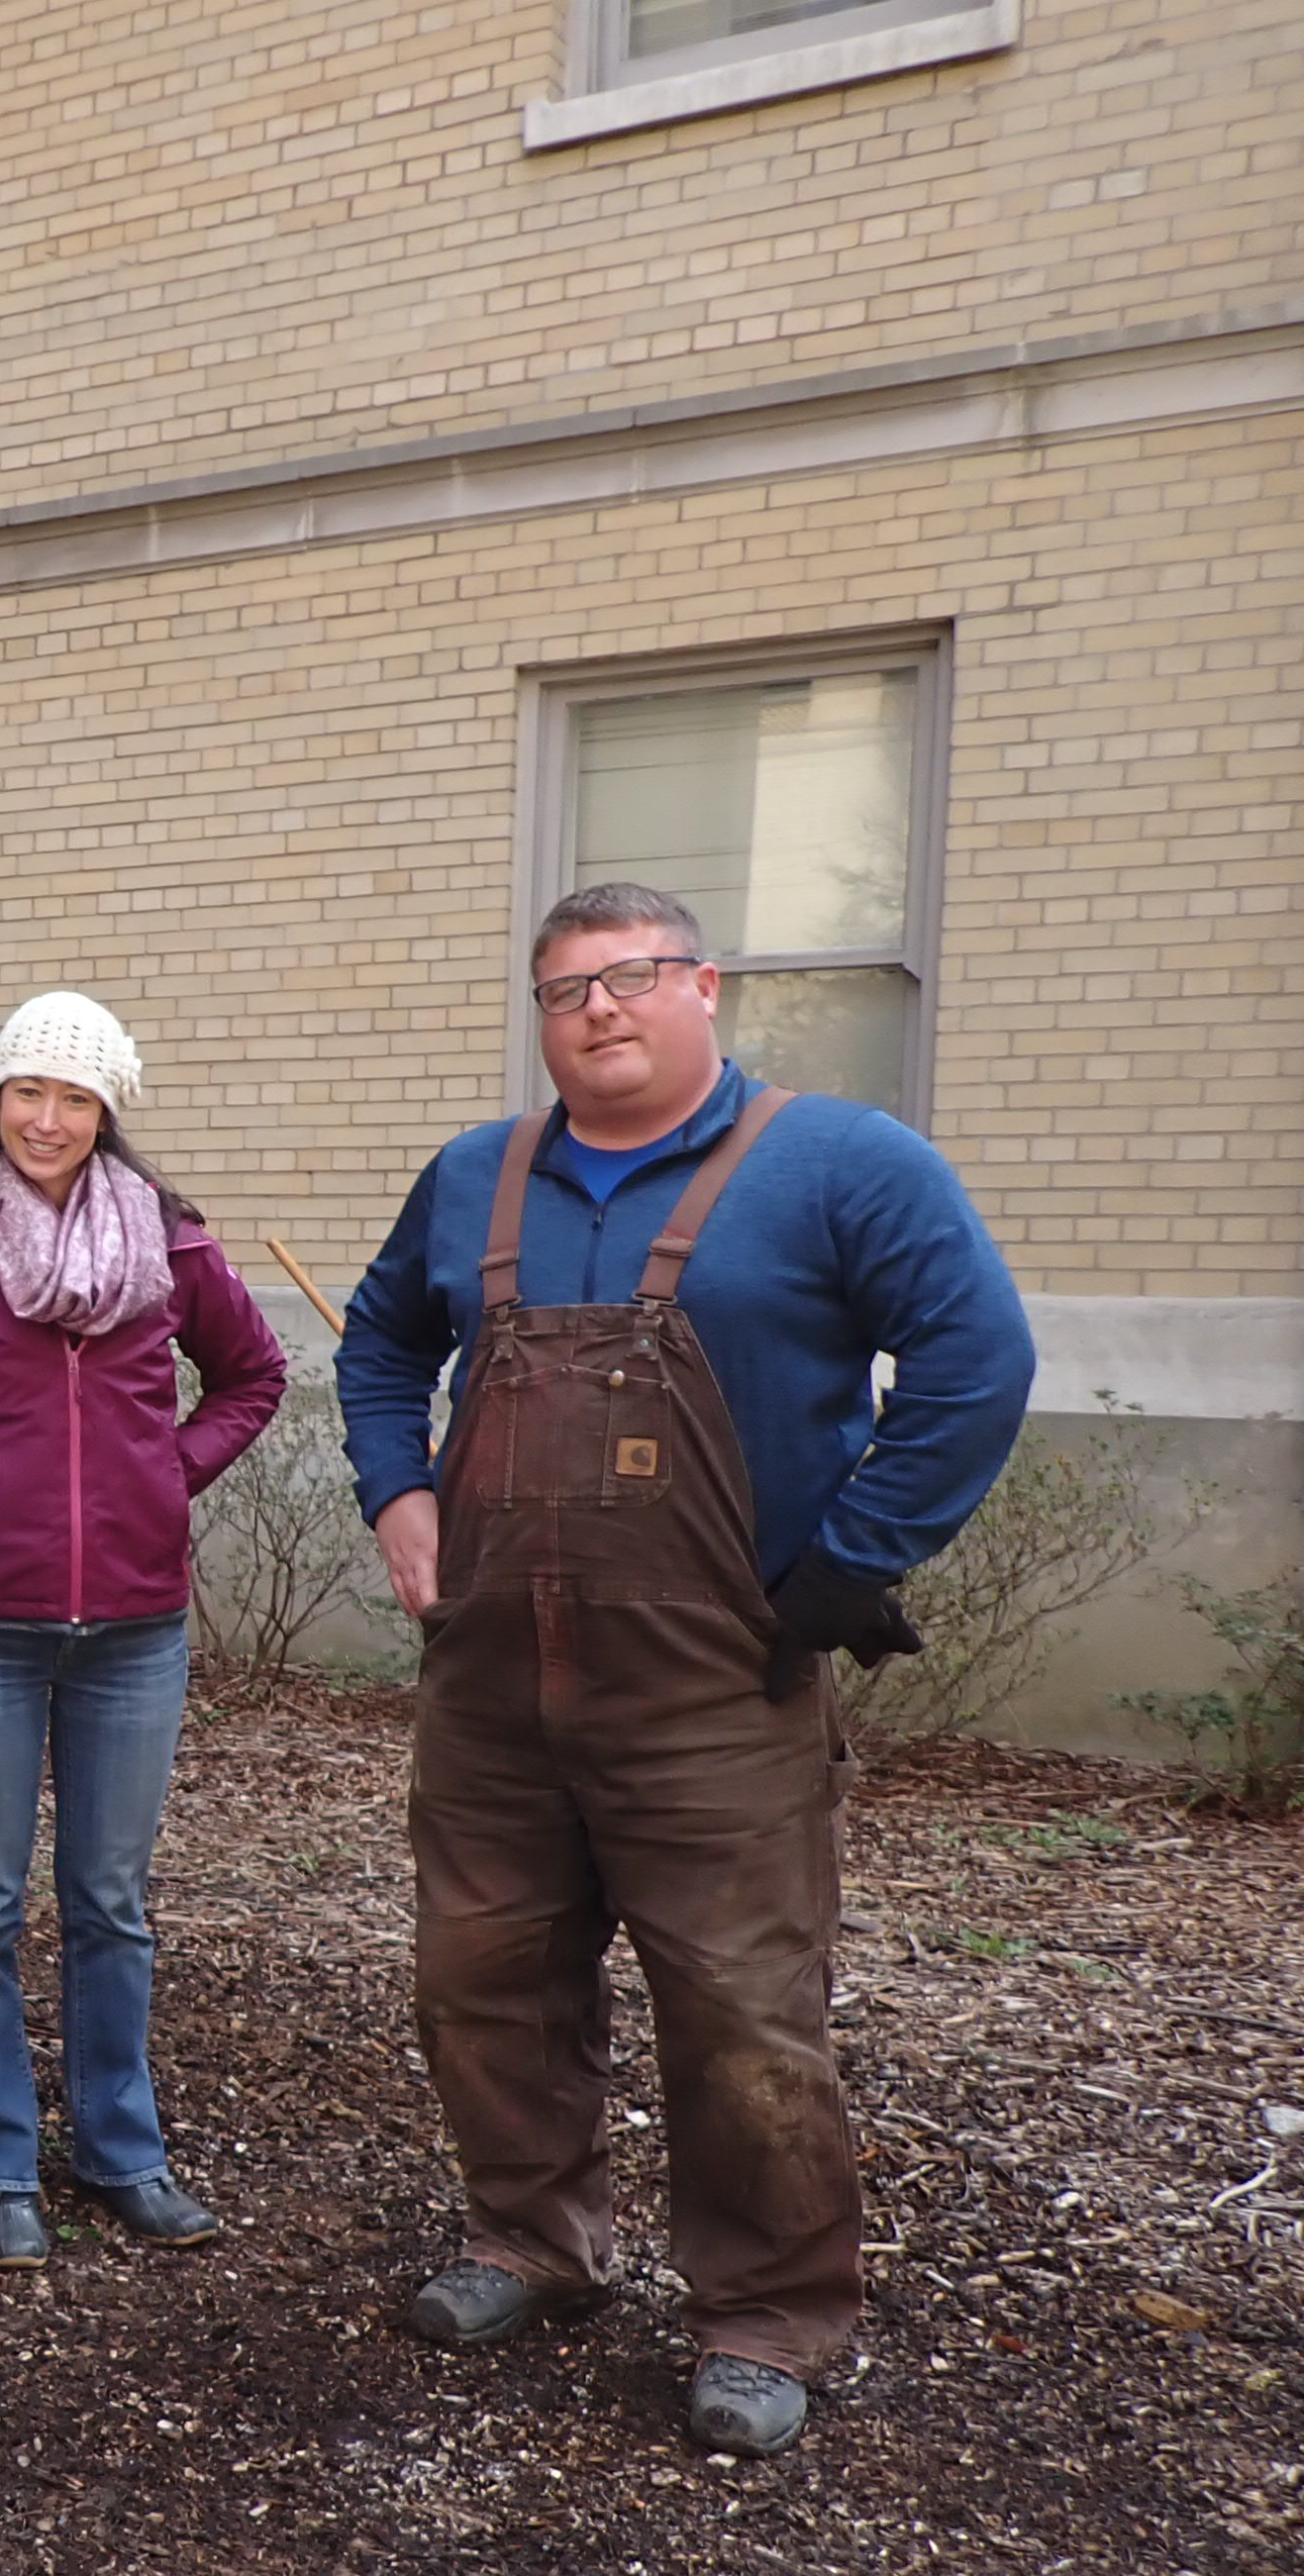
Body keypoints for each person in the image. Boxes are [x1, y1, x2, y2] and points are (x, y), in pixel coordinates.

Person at [338, 883, 1032, 2458]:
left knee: (741, 2010)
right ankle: (532, 2242)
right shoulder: (472, 1179)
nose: (601, 1008)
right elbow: (379, 1347)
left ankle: (770, 2314)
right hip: (495, 1684)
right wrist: (400, 1490)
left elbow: (976, 1359)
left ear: (704, 987)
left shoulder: (842, 1164)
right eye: (567, 987)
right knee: (483, 1980)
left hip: (719, 1684)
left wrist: (851, 1564)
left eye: (634, 976)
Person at [0, 993, 287, 2269]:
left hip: (135, 1626)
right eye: (25, 1093)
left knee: (110, 1902)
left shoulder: (172, 1249)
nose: (46, 1119)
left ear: (106, 1112)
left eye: (73, 1098)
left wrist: (166, 1474)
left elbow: (256, 1376)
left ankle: (123, 2151)